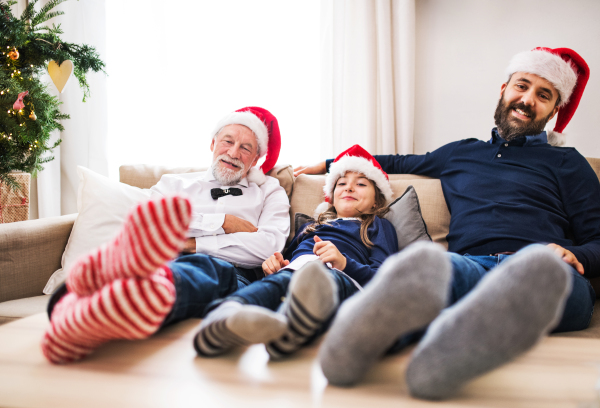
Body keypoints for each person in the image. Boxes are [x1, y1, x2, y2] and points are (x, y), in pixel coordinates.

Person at [297, 47, 600, 400]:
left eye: (543, 95)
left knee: (541, 275)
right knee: (431, 271)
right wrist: (332, 163)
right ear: (503, 89)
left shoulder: (567, 162)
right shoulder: (462, 152)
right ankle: (370, 348)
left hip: (545, 270)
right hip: (472, 265)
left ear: (553, 110)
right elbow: (398, 160)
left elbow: (597, 239)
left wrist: (577, 255)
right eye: (522, 86)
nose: (528, 99)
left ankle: (452, 338)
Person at [41, 106, 291, 364]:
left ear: (255, 161)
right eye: (228, 141)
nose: (233, 152)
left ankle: (95, 308)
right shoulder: (173, 184)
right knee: (163, 270)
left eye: (245, 148)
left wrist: (191, 243)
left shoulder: (269, 191)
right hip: (159, 261)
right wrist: (223, 222)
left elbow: (266, 246)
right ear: (213, 143)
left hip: (232, 274)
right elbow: (150, 224)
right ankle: (99, 301)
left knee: (210, 271)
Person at [193, 144, 407, 360]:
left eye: (361, 184)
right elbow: (286, 260)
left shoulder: (378, 226)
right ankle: (225, 316)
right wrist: (275, 266)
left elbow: (383, 278)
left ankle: (289, 329)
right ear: (331, 197)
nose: (349, 188)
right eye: (342, 183)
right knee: (275, 284)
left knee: (319, 283)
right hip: (296, 271)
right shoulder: (312, 226)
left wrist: (344, 263)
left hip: (342, 278)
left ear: (376, 202)